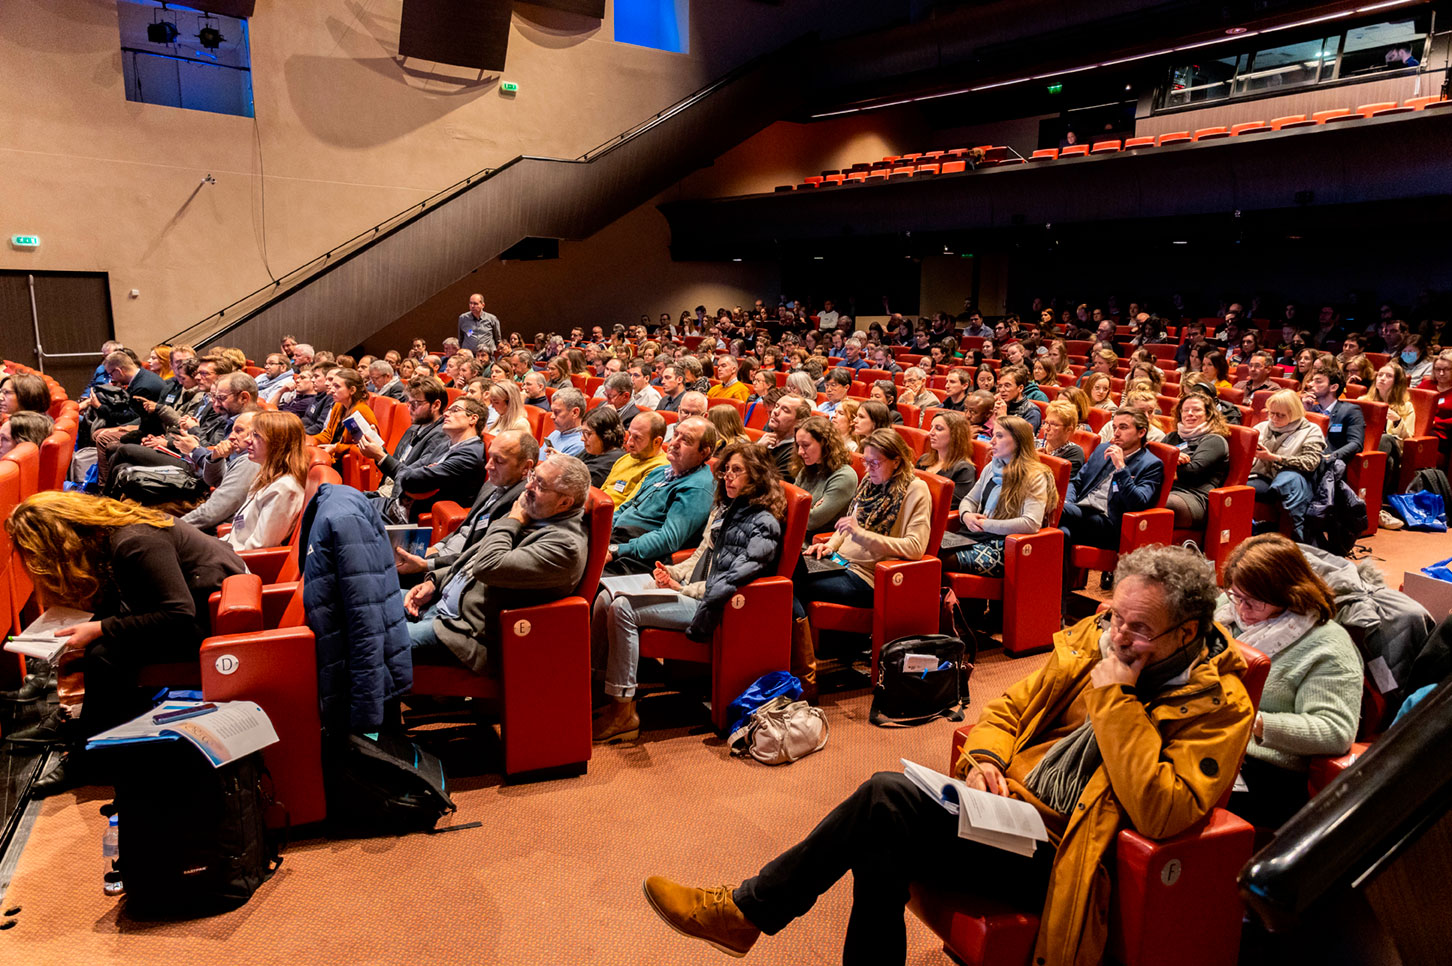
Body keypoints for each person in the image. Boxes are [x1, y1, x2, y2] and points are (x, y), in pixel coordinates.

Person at [645, 543, 1253, 965]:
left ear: (1189, 632)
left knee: (886, 800)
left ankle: (747, 910)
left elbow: (1163, 811)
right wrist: (983, 760)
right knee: (881, 835)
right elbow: (1005, 712)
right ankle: (754, 915)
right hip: (1011, 812)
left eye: (1139, 628)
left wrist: (1117, 701)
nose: (1118, 636)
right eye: (1115, 616)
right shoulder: (1092, 650)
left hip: (1071, 853)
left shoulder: (1217, 706)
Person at [5, 493, 247, 794]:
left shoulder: (134, 541)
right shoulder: (109, 533)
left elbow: (178, 612)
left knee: (102, 654)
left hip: (212, 622)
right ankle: (83, 729)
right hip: (196, 604)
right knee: (100, 638)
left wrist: (101, 628)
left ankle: (87, 759)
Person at [592, 443, 787, 742]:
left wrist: (684, 589)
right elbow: (700, 555)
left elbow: (733, 579)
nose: (728, 478)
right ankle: (605, 691)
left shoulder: (763, 523)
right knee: (606, 596)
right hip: (693, 591)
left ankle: (624, 713)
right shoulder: (724, 508)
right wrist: (671, 573)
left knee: (622, 609)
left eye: (738, 471)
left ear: (757, 476)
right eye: (726, 471)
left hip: (715, 606)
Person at [1218, 534, 1362, 829]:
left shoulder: (1326, 645)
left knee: (1166, 801)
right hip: (1207, 743)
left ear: (1288, 594)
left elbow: (1335, 730)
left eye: (1253, 601)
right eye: (1236, 596)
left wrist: (1255, 722)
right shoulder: (1226, 611)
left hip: (1266, 771)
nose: (1242, 610)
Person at [404, 453, 591, 669]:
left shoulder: (564, 546)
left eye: (540, 485)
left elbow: (488, 565)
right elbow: (474, 556)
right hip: (439, 604)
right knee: (367, 602)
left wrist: (513, 520)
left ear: (565, 502)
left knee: (373, 643)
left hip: (462, 633)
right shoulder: (537, 513)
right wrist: (434, 582)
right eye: (533, 476)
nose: (528, 487)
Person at [792, 429, 932, 698]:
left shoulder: (916, 490)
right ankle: (798, 667)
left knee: (792, 581)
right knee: (790, 568)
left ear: (897, 460)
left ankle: (802, 673)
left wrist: (862, 535)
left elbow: (916, 548)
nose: (868, 468)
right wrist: (828, 546)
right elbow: (847, 526)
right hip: (839, 563)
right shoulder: (869, 480)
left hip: (869, 578)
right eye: (865, 461)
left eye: (874, 462)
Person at [395, 429, 536, 594]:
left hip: (456, 569)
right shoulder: (492, 482)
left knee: (385, 572)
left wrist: (429, 563)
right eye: (490, 457)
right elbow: (466, 524)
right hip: (442, 554)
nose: (488, 466)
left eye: (498, 461)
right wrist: (437, 547)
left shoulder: (521, 504)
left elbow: (478, 554)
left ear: (526, 467)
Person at [945, 415, 1058, 580]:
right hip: (973, 537)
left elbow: (1031, 523)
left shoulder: (1035, 476)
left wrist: (986, 524)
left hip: (1003, 548)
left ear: (1018, 441)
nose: (992, 442)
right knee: (927, 550)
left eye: (999, 436)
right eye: (993, 435)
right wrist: (966, 515)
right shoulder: (992, 466)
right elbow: (970, 500)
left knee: (938, 560)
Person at [604, 416, 717, 575]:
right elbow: (626, 508)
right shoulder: (660, 471)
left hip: (640, 558)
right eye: (676, 434)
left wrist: (617, 549)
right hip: (617, 540)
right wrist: (600, 531)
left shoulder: (698, 487)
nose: (674, 443)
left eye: (686, 441)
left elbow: (668, 539)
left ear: (703, 452)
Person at [1061, 408, 1165, 564]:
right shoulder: (1103, 449)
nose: (1115, 433)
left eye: (1123, 428)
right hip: (1078, 512)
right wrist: (1068, 502)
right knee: (1062, 534)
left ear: (1141, 432)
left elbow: (1137, 503)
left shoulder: (1151, 464)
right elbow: (1075, 482)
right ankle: (1059, 589)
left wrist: (1121, 468)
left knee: (1052, 510)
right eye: (1114, 427)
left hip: (1109, 524)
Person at [225, 410, 308, 550]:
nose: (247, 440)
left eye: (256, 435)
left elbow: (258, 547)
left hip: (238, 562)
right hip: (228, 549)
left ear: (277, 444)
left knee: (177, 533)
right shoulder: (266, 475)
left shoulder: (284, 488)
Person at [1249, 390, 1325, 541]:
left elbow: (1310, 462)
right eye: (1271, 413)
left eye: (1280, 415)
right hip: (1260, 475)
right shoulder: (1262, 427)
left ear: (1294, 413)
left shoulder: (1311, 430)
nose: (1274, 418)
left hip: (1291, 480)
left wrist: (1275, 458)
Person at [1162, 392, 1231, 529]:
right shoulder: (1172, 437)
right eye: (1185, 410)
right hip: (1166, 488)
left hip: (1194, 496)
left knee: (1155, 504)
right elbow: (1152, 461)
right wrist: (1171, 460)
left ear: (1208, 414)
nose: (1190, 413)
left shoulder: (1214, 440)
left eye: (1196, 410)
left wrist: (1169, 461)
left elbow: (1192, 472)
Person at [792, 416, 857, 538]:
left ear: (824, 442)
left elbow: (811, 521)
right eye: (798, 445)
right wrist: (810, 507)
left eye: (805, 445)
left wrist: (805, 509)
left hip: (813, 544)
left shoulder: (844, 476)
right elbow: (786, 503)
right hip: (795, 534)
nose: (800, 451)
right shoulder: (809, 468)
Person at [308, 367, 379, 466]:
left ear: (352, 390)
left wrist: (336, 448)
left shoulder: (361, 411)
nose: (332, 390)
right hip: (336, 457)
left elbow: (367, 447)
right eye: (332, 385)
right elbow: (328, 434)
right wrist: (310, 440)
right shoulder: (339, 405)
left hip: (351, 463)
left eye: (337, 386)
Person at [1300, 363, 1364, 465]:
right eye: (1312, 380)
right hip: (1305, 457)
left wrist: (1332, 457)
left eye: (1318, 381)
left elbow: (1356, 443)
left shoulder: (1350, 410)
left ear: (1333, 387)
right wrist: (1305, 413)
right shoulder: (1310, 409)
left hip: (1328, 462)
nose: (1310, 384)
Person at [603, 412, 669, 507]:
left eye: (637, 437)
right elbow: (602, 491)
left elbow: (629, 509)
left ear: (656, 442)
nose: (629, 443)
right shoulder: (625, 458)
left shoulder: (659, 469)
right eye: (629, 434)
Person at [916, 410, 977, 506]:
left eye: (939, 429)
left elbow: (949, 505)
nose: (930, 433)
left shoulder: (964, 469)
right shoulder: (924, 460)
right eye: (931, 427)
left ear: (955, 435)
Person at [760, 394, 810, 475]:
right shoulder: (765, 439)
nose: (775, 411)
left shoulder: (795, 454)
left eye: (785, 410)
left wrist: (756, 452)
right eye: (776, 406)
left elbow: (773, 484)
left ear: (799, 421)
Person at [579, 406, 626, 486]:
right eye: (582, 432)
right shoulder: (593, 449)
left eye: (588, 433)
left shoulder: (614, 461)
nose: (582, 438)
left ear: (605, 435)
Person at [1039, 400, 1085, 476]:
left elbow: (1058, 482)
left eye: (1053, 424)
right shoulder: (1035, 444)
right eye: (1046, 422)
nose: (1046, 428)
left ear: (1068, 429)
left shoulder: (1074, 452)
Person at [993, 365, 1042, 432]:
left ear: (1020, 388)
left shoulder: (1032, 412)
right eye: (1000, 386)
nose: (1002, 390)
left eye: (1007, 386)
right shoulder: (999, 405)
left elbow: (1023, 440)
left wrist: (1003, 418)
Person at [544, 387, 587, 457]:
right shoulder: (556, 433)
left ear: (575, 413)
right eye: (552, 411)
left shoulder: (579, 445)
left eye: (557, 412)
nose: (552, 416)